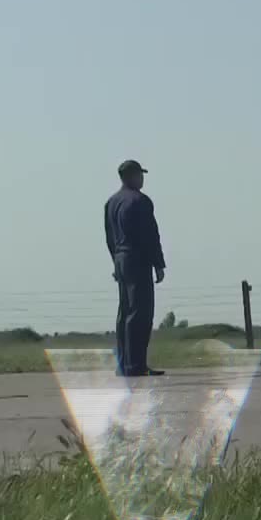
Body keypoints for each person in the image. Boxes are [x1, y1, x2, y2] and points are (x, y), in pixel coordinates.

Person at [104, 160, 167, 377]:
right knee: (140, 312)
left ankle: (124, 363)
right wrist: (158, 263)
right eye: (140, 174)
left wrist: (116, 262)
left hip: (121, 258)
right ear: (132, 176)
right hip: (138, 259)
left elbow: (109, 238)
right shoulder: (140, 201)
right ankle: (136, 365)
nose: (142, 178)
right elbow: (150, 236)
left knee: (125, 312)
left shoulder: (112, 202)